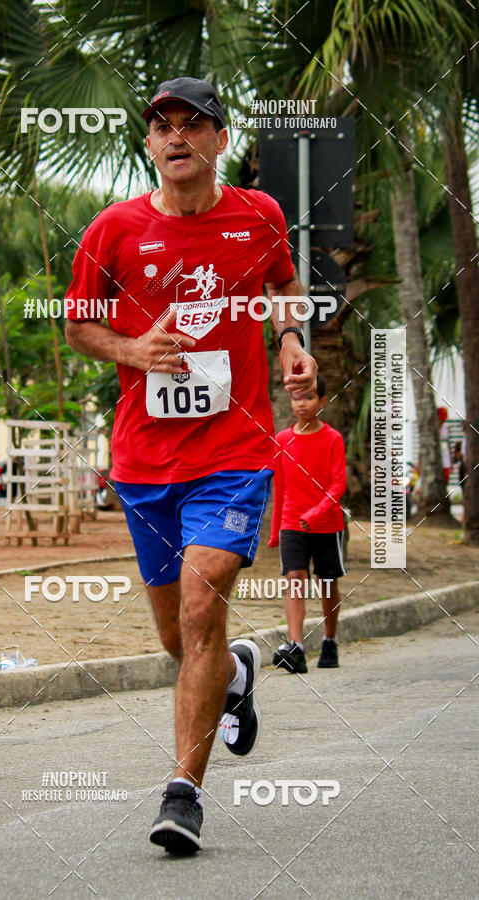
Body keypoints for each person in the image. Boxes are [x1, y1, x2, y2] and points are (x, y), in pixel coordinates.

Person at [65, 76, 317, 855]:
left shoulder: (258, 216)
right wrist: (132, 350)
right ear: (149, 143)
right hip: (145, 460)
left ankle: (184, 795)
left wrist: (289, 339)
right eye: (162, 126)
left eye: (193, 124)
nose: (177, 136)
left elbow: (283, 285)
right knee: (180, 638)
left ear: (219, 139)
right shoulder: (114, 231)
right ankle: (236, 677)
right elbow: (78, 327)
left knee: (205, 606)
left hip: (235, 452)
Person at [268, 374, 346, 672]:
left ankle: (330, 640)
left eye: (309, 397)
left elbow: (338, 485)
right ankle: (296, 647)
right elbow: (280, 488)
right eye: (297, 397)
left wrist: (316, 513)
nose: (302, 403)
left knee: (327, 584)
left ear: (322, 402)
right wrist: (275, 531)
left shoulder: (333, 439)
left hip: (326, 523)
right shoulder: (282, 440)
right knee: (294, 579)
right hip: (291, 522)